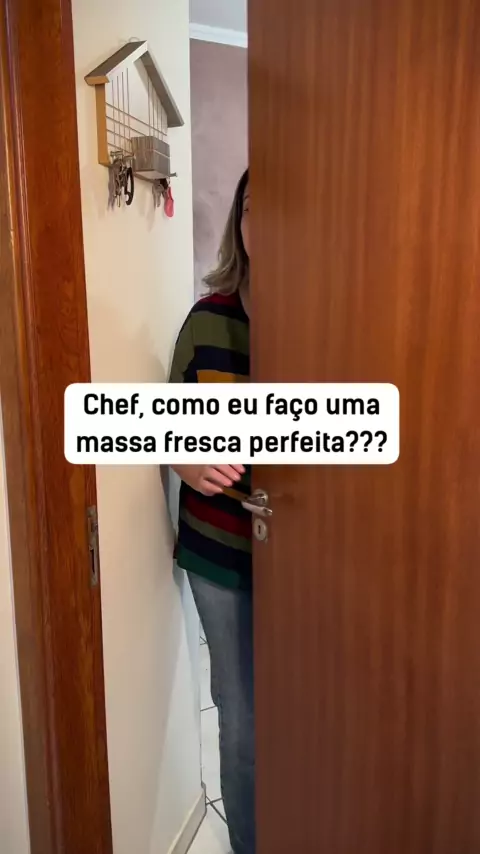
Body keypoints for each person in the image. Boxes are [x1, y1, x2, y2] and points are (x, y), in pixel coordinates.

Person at [169, 169, 254, 854]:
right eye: (253, 207)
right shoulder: (207, 319)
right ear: (239, 223)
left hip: (312, 556)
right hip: (220, 553)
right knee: (243, 716)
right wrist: (188, 461)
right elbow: (167, 424)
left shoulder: (338, 313)